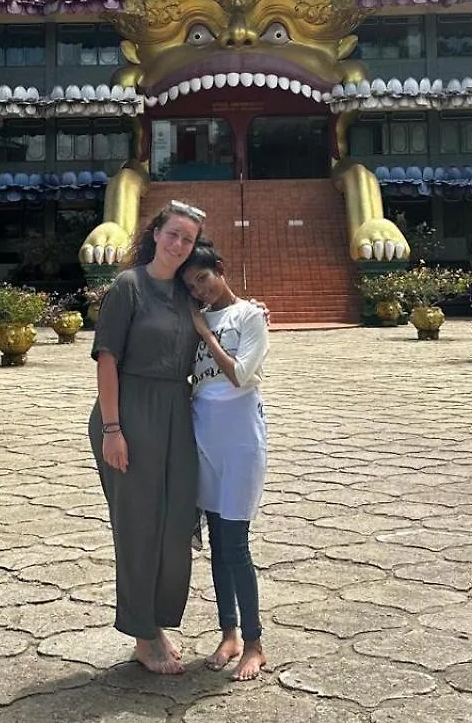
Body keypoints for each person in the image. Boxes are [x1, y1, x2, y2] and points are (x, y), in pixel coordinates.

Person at [89, 198, 207, 675]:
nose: (179, 244)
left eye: (189, 239)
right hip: (130, 411)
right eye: (173, 233)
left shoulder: (185, 293)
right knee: (139, 525)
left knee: (177, 521)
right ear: (156, 233)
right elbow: (107, 360)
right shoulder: (128, 287)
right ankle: (142, 632)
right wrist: (114, 430)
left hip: (177, 412)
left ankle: (158, 619)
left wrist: (248, 309)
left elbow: (218, 318)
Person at [182, 241, 269, 681]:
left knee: (235, 545)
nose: (200, 291)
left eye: (203, 278)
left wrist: (206, 335)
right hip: (204, 442)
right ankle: (229, 633)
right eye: (191, 285)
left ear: (219, 269)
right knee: (217, 547)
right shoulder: (194, 317)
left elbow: (238, 374)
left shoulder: (249, 317)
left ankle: (254, 642)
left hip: (240, 444)